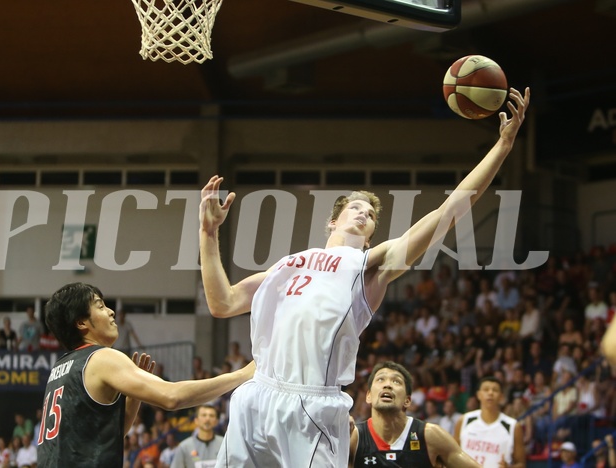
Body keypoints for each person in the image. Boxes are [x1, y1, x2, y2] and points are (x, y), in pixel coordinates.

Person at [198, 88, 530, 467]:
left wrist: (502, 147)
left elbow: (448, 211)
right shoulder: (287, 264)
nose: (362, 214)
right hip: (256, 396)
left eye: (369, 215)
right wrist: (208, 235)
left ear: (371, 234)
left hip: (312, 404)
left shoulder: (370, 265)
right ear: (332, 221)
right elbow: (221, 303)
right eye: (354, 208)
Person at [36, 282, 254, 468]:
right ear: (82, 323)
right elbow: (172, 396)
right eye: (100, 306)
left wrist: (134, 396)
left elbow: (111, 434)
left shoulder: (60, 368)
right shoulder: (101, 358)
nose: (111, 312)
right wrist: (242, 375)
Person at [349, 361, 481, 467]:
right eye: (380, 379)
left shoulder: (430, 436)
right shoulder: (354, 437)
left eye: (396, 381)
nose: (387, 385)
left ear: (407, 400)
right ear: (369, 396)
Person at [454, 376, 526, 467]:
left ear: (501, 396)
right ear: (478, 395)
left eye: (495, 390)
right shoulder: (464, 420)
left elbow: (521, 464)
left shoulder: (513, 426)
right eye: (486, 389)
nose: (490, 393)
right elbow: (452, 456)